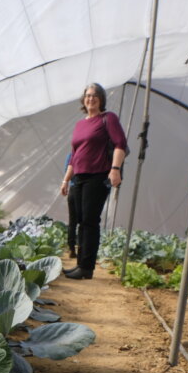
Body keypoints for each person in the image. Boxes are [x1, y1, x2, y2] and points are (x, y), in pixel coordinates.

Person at [60, 83, 128, 279]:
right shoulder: (80, 124)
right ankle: (81, 264)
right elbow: (74, 155)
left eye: (95, 96)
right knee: (81, 221)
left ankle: (87, 268)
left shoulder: (108, 118)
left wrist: (115, 169)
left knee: (90, 221)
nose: (91, 99)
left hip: (97, 175)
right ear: (84, 99)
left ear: (101, 99)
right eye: (88, 95)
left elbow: (120, 144)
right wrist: (66, 180)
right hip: (79, 177)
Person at [63, 152, 79, 259]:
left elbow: (67, 170)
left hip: (73, 189)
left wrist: (66, 181)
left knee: (72, 222)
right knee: (84, 222)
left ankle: (72, 248)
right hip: (81, 190)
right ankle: (82, 250)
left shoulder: (71, 155)